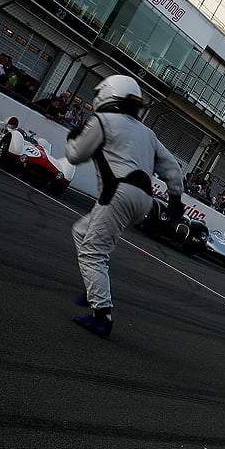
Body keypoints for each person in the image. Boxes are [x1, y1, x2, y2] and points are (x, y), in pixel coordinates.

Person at [65, 75, 186, 337]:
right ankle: (94, 288)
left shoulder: (103, 120)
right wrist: (175, 200)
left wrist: (74, 135)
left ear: (107, 94)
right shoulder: (148, 132)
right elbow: (173, 168)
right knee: (81, 231)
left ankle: (102, 316)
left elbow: (76, 155)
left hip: (118, 192)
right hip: (144, 199)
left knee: (93, 253)